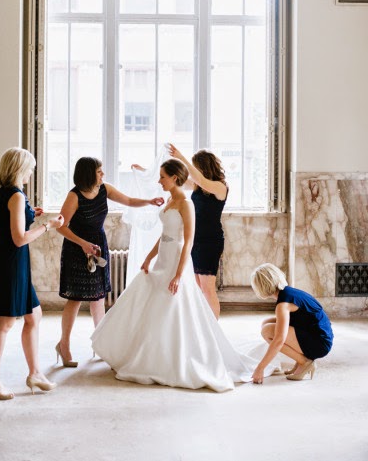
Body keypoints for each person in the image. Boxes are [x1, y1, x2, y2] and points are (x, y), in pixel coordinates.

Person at [91, 159, 274, 392]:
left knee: (172, 303)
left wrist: (178, 275)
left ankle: (172, 358)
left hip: (176, 259)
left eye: (162, 177)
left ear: (174, 178)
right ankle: (143, 353)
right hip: (163, 256)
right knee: (149, 300)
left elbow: (188, 241)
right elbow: (165, 234)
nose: (159, 181)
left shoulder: (186, 204)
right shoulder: (169, 200)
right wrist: (148, 257)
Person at [55, 156, 164, 367]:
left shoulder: (105, 189)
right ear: (88, 174)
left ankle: (100, 344)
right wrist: (83, 244)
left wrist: (149, 202)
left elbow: (129, 201)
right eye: (99, 171)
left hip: (98, 245)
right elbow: (61, 226)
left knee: (98, 297)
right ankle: (64, 345)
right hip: (77, 249)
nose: (103, 174)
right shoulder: (74, 196)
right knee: (75, 299)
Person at [0, 147, 64, 399]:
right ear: (20, 168)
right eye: (30, 168)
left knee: (34, 316)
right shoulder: (16, 196)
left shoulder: (4, 194)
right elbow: (19, 239)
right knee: (4, 324)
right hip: (11, 265)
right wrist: (48, 225)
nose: (31, 173)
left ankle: (35, 373)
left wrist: (28, 215)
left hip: (10, 262)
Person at [168, 144, 227, 318]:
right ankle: (204, 323)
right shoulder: (197, 185)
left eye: (195, 167)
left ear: (203, 167)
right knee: (198, 287)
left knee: (208, 288)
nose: (193, 171)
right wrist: (146, 172)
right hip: (195, 240)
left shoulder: (220, 187)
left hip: (211, 242)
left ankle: (213, 327)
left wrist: (181, 157)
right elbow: (176, 181)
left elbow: (201, 180)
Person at [250, 263, 334, 384]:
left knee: (267, 331)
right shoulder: (288, 292)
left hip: (320, 344)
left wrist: (260, 368)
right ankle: (300, 360)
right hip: (320, 336)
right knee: (267, 322)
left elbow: (279, 340)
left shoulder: (283, 304)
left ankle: (304, 362)